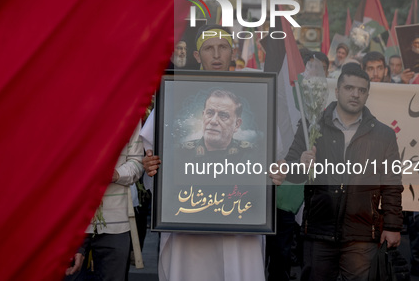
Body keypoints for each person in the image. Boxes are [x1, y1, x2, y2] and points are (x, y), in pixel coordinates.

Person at [141, 25, 276, 281]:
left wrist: (274, 171)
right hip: (188, 224)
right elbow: (154, 152)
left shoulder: (256, 90)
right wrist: (152, 165)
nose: (216, 54)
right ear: (196, 56)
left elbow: (271, 156)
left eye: (223, 47)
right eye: (209, 48)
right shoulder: (176, 92)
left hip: (241, 223)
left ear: (232, 52)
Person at [280, 65, 403, 281]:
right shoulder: (312, 126)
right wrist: (301, 163)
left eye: (362, 90)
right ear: (337, 91)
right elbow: (293, 173)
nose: (355, 94)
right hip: (318, 228)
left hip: (362, 232)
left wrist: (393, 225)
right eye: (349, 88)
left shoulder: (384, 134)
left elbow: (392, 183)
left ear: (367, 95)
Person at [66, 124, 144, 280]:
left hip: (115, 222)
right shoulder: (70, 110)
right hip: (73, 221)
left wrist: (115, 174)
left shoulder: (130, 114)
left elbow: (137, 162)